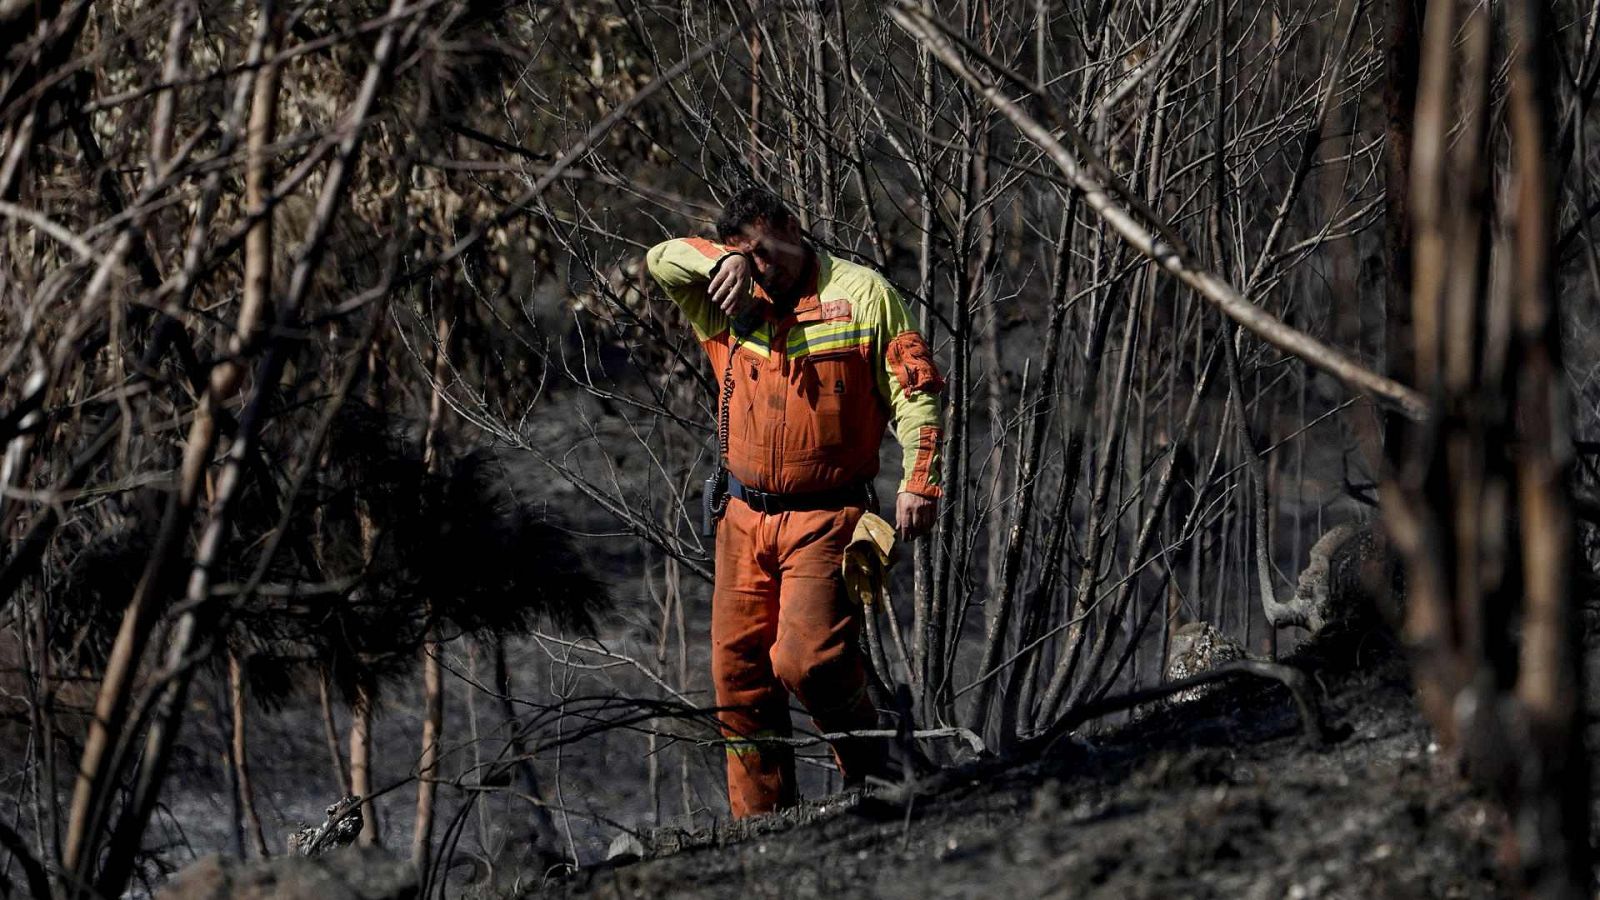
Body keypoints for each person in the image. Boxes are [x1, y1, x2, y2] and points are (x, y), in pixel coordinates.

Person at [645, 186, 946, 818]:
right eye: (743, 255)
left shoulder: (862, 295)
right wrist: (720, 263)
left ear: (793, 228)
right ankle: (762, 827)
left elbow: (915, 389)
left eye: (762, 249)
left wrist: (919, 479)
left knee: (807, 660)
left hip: (827, 515)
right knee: (739, 679)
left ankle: (879, 769)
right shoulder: (726, 296)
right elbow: (660, 258)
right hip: (741, 519)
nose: (758, 267)